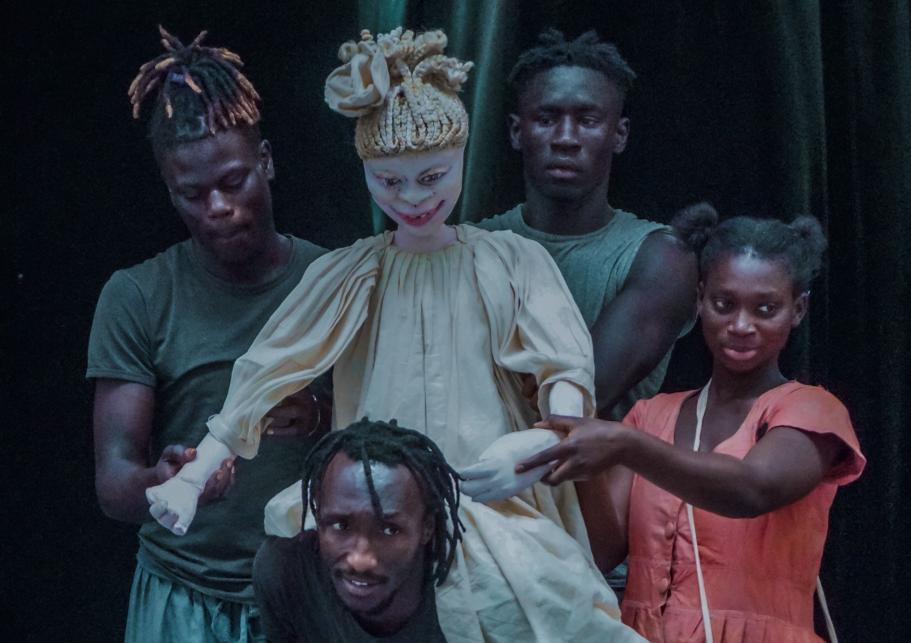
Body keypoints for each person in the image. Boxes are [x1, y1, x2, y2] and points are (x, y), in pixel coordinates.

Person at [145, 27, 642, 643]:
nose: (412, 198)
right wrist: (195, 475)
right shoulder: (353, 272)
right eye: (389, 181)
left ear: (461, 159)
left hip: (487, 498)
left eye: (432, 177)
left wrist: (538, 447)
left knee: (543, 602)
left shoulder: (511, 262)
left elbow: (565, 373)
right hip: (370, 506)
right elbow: (265, 373)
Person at [518, 211, 867, 642]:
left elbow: (752, 489)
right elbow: (602, 553)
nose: (741, 325)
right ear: (699, 299)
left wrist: (625, 444)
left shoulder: (812, 409)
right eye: (724, 304)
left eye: (765, 309)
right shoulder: (652, 415)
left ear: (798, 310)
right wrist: (581, 453)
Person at [87, 27, 330, 641]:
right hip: (182, 593)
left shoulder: (334, 280)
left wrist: (321, 415)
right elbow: (114, 483)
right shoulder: (138, 295)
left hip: (310, 588)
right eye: (191, 194)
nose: (217, 207)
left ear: (266, 161)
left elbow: (394, 427)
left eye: (233, 181)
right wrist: (161, 482)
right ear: (169, 191)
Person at [477, 30, 699, 422]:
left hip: (582, 463)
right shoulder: (473, 246)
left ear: (619, 134)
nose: (566, 138)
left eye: (587, 121)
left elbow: (575, 403)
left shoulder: (660, 258)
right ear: (516, 131)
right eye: (546, 119)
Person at [253, 418, 461, 642]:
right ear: (317, 514)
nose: (360, 560)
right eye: (341, 526)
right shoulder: (286, 571)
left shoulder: (471, 595)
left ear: (427, 527)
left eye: (389, 530)